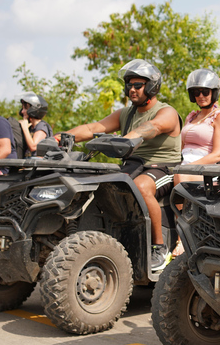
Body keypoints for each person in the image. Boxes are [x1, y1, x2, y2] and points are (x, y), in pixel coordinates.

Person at [60, 59, 182, 271]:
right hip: (133, 166)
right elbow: (93, 128)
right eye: (129, 85)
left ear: (152, 87)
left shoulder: (167, 112)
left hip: (162, 167)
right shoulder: (126, 113)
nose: (132, 90)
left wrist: (129, 138)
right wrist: (60, 138)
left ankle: (159, 248)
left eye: (138, 85)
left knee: (142, 188)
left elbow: (152, 127)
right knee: (98, 184)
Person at [172, 68, 220, 256]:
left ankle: (181, 240)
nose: (201, 96)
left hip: (206, 169)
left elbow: (217, 154)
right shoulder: (192, 116)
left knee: (180, 175)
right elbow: (180, 148)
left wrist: (188, 167)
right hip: (183, 165)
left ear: (214, 92)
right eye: (196, 92)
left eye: (205, 91)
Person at [17, 92, 53, 157]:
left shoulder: (41, 126)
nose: (22, 111)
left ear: (34, 109)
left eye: (25, 108)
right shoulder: (31, 128)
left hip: (38, 165)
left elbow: (33, 147)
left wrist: (25, 128)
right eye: (22, 108)